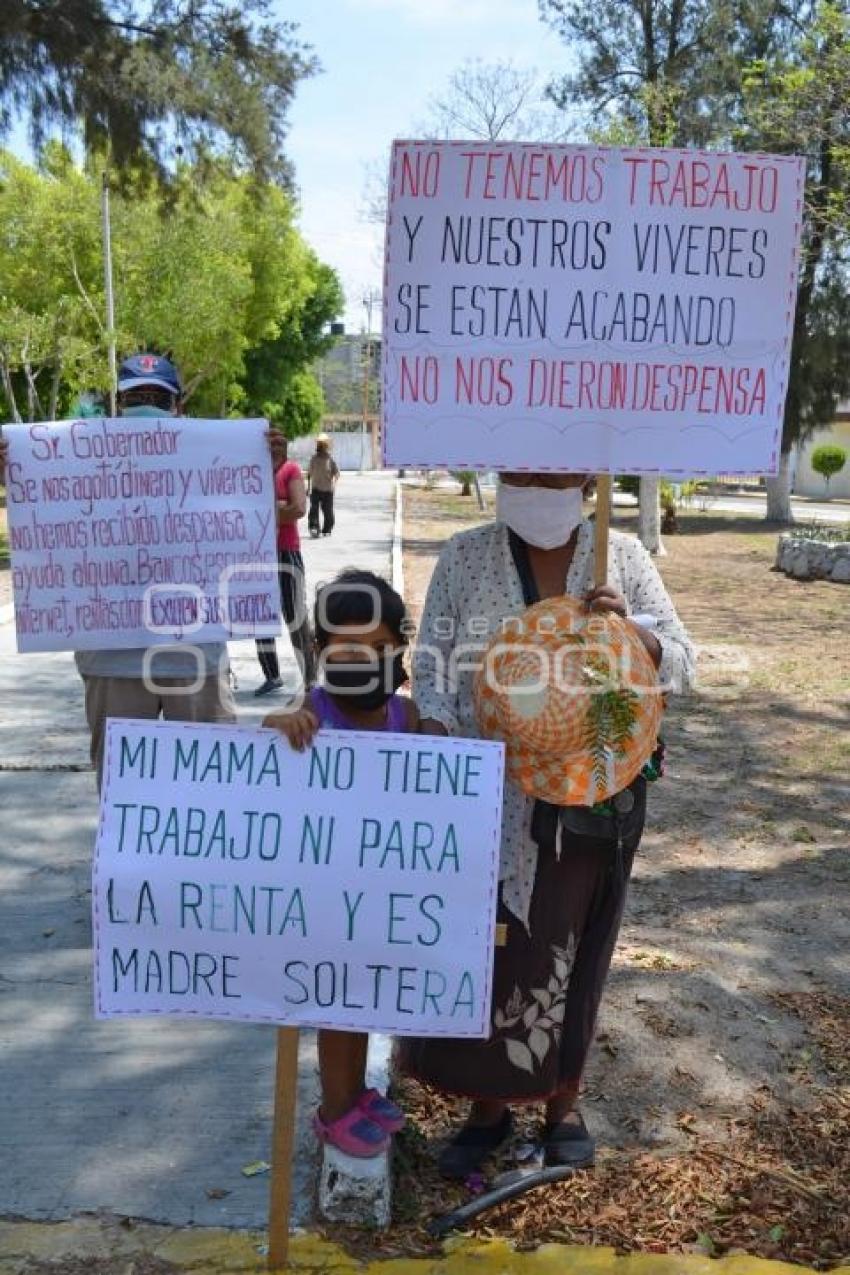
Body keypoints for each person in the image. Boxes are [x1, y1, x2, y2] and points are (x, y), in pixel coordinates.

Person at [398, 471, 695, 1178]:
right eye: (519, 469)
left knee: (574, 945)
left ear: (585, 478)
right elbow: (431, 666)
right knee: (497, 945)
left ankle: (563, 1101)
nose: (534, 481)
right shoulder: (465, 556)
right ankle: (488, 1107)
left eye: (551, 470)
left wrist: (635, 636)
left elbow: (682, 661)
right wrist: (437, 728)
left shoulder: (618, 557)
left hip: (591, 799)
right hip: (488, 797)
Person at [0, 353, 238, 787]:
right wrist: (14, 470)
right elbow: (47, 521)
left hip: (196, 655)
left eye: (157, 397)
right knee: (124, 794)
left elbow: (265, 518)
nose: (147, 405)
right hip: (113, 660)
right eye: (136, 397)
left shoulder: (216, 460)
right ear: (117, 403)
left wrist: (267, 464)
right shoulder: (77, 460)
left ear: (178, 405)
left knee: (211, 790)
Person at [263, 568, 416, 1157]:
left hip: (382, 897)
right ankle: (334, 1111)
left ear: (399, 646)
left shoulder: (408, 717)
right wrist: (280, 726)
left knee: (367, 1002)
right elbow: (271, 761)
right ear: (320, 650)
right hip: (328, 903)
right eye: (346, 647)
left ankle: (355, 1094)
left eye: (378, 647)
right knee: (338, 1010)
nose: (364, 659)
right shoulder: (314, 714)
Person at [254, 434, 315, 696]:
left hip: (285, 553)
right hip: (256, 556)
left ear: (286, 446)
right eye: (271, 443)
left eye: (280, 443)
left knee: (294, 616)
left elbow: (299, 508)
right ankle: (272, 675)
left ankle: (311, 678)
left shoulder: (290, 471)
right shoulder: (253, 473)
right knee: (258, 618)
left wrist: (264, 511)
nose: (275, 447)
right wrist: (279, 507)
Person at [307, 433, 340, 537]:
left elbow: (337, 473)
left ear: (326, 446)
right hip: (316, 489)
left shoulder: (330, 459)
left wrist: (333, 484)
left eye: (323, 445)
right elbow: (309, 474)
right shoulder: (314, 459)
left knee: (328, 512)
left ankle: (327, 528)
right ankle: (314, 528)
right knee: (314, 510)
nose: (321, 447)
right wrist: (308, 488)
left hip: (327, 490)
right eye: (319, 445)